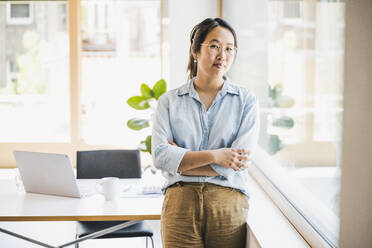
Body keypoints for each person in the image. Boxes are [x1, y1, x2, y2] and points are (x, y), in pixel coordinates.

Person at [152, 17, 259, 248]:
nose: (222, 55)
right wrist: (217, 156)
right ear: (195, 50)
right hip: (180, 203)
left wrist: (181, 159)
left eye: (229, 48)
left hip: (227, 203)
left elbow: (237, 162)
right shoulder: (169, 102)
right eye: (214, 46)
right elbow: (161, 157)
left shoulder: (246, 101)